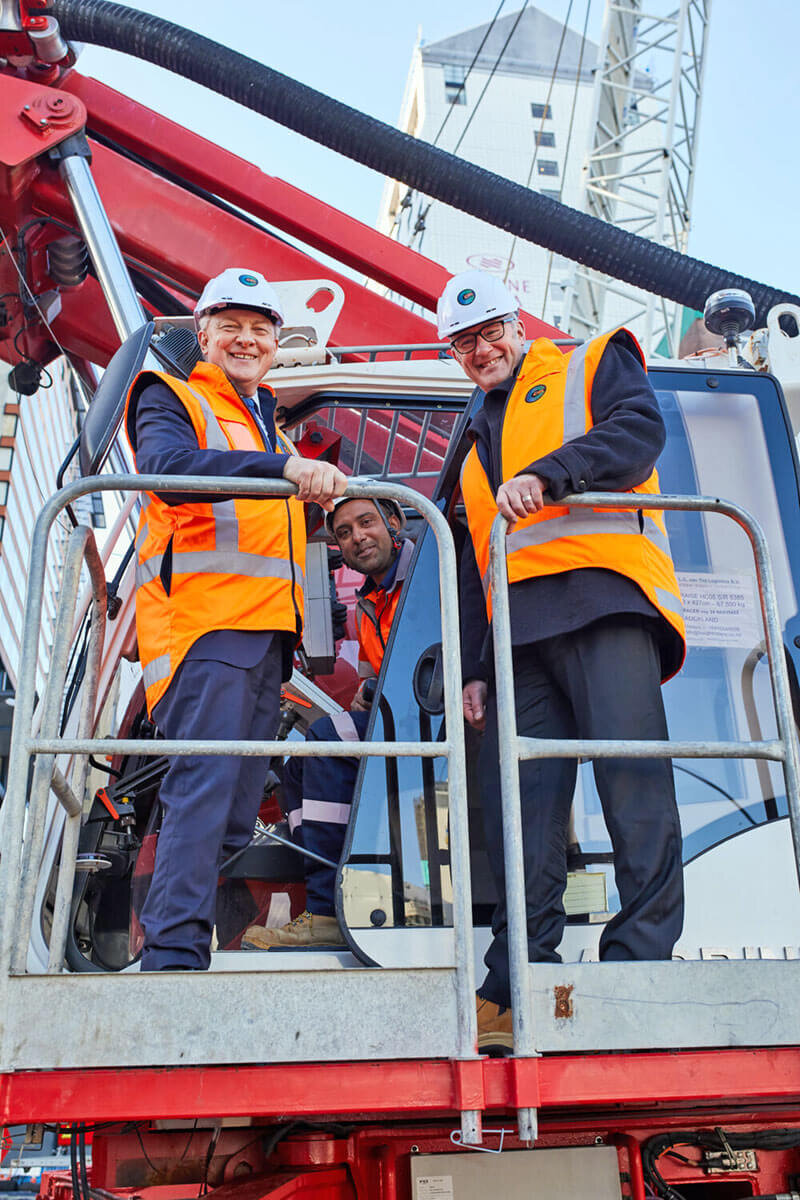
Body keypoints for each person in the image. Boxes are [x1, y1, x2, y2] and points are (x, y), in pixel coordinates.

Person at [439, 269, 687, 1052]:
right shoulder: (475, 436)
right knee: (526, 810)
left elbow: (638, 433)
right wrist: (475, 666)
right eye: (464, 343)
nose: (482, 350)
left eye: (491, 334)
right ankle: (516, 978)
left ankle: (639, 961)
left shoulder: (586, 362)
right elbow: (484, 564)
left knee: (632, 784)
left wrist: (551, 475)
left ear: (518, 327)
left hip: (605, 600)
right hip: (519, 632)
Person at [124, 267, 347, 971]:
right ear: (204, 335)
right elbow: (165, 465)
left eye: (260, 329)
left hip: (261, 638)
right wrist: (281, 472)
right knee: (205, 788)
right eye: (232, 327)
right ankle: (173, 955)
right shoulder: (172, 396)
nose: (246, 340)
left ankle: (179, 937)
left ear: (276, 343)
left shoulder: (267, 422)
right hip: (205, 631)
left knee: (231, 806)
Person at [243, 493, 412, 948]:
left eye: (367, 522)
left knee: (323, 739)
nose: (358, 537)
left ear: (395, 522)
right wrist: (370, 686)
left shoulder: (424, 578)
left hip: (439, 724)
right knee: (296, 766)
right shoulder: (368, 602)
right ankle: (334, 894)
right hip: (403, 722)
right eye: (344, 532)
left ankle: (327, 910)